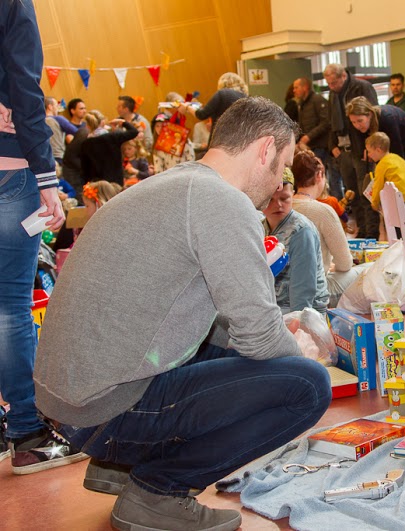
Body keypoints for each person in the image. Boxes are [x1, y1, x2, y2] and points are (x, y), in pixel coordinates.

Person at [33, 97, 330, 531]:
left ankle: (116, 466)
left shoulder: (169, 185)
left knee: (225, 351)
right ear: (264, 150)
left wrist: (264, 332)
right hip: (102, 409)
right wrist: (302, 348)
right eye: (282, 169)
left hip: (67, 401)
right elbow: (262, 341)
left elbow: (190, 318)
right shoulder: (223, 203)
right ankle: (158, 490)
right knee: (306, 384)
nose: (277, 187)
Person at [0, 0, 86, 475]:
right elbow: (23, 82)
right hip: (10, 166)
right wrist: (46, 176)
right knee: (9, 304)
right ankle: (27, 432)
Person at [291, 150, 363, 307]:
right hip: (316, 293)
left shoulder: (282, 207)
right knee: (370, 270)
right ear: (319, 176)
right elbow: (345, 264)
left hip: (287, 291)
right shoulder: (323, 211)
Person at [323, 63, 379, 238]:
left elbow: (372, 118)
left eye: (333, 83)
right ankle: (362, 230)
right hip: (343, 150)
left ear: (343, 77)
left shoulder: (362, 87)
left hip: (361, 149)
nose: (331, 87)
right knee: (351, 192)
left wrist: (368, 146)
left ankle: (371, 233)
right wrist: (332, 146)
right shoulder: (333, 94)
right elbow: (330, 121)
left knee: (366, 193)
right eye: (328, 84)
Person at [264, 168, 330, 315]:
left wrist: (298, 324)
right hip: (274, 305)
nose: (278, 205)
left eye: (284, 198)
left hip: (300, 309)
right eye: (270, 200)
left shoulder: (301, 232)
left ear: (293, 195)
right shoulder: (260, 227)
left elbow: (303, 293)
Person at [346, 95, 405, 186]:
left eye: (360, 121)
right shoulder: (361, 125)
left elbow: (397, 154)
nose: (357, 126)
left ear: (370, 114)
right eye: (353, 122)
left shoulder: (387, 118)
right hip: (395, 141)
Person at [365, 132, 405, 233]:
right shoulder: (399, 159)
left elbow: (378, 185)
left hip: (399, 201)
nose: (368, 155)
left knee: (397, 231)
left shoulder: (382, 165)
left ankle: (400, 247)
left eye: (369, 151)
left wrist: (374, 202)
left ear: (378, 150)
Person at [178, 72, 248, 139]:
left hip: (222, 139)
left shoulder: (222, 94)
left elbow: (201, 114)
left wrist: (187, 106)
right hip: (239, 139)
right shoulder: (245, 98)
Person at [80, 115, 139, 186]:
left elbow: (85, 169)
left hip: (98, 184)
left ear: (88, 126)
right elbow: (134, 132)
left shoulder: (86, 144)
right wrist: (123, 122)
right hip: (116, 181)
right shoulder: (113, 137)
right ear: (102, 123)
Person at [293, 77, 331, 166]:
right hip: (309, 146)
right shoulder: (301, 103)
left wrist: (309, 136)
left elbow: (326, 122)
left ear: (305, 87)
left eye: (296, 87)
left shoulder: (318, 100)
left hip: (320, 146)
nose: (294, 91)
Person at [44, 96, 77, 165]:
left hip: (46, 159)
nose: (57, 109)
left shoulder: (38, 122)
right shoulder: (58, 119)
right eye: (56, 105)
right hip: (59, 157)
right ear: (50, 107)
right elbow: (77, 132)